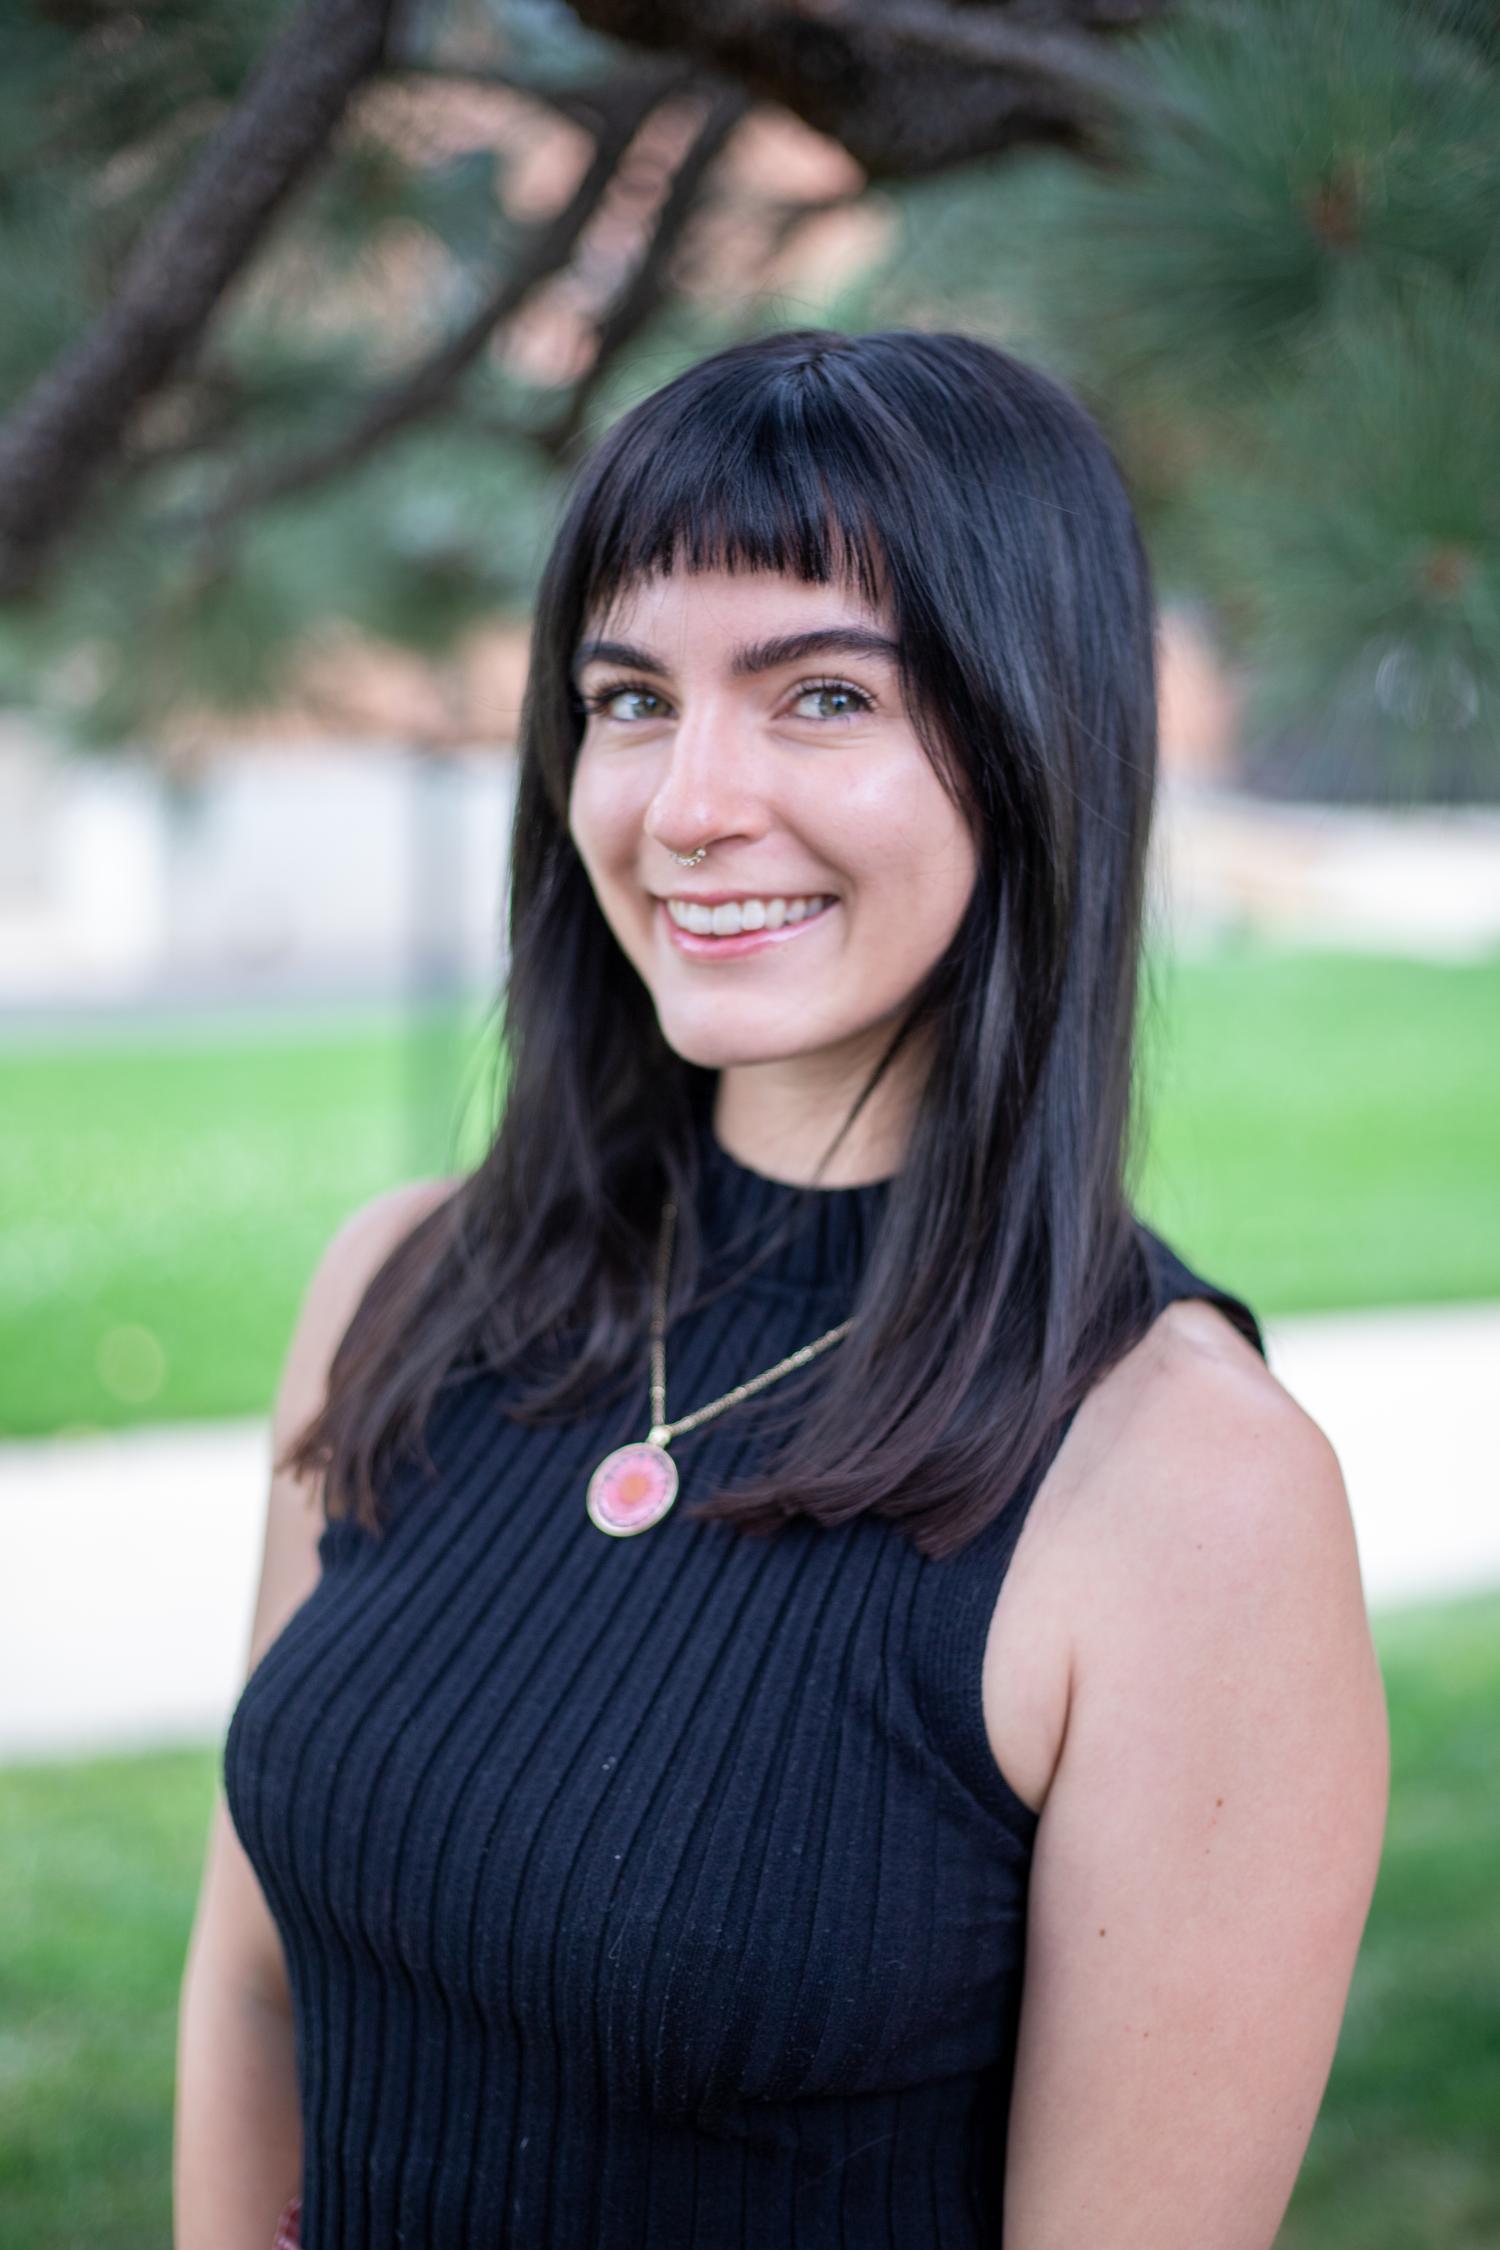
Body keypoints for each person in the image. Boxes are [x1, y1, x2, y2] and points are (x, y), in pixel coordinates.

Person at [174, 327, 1389, 2250]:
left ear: (1034, 736)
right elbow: (253, 1990)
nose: (684, 804)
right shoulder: (404, 1284)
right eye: (631, 697)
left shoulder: (1189, 1492)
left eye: (822, 695)